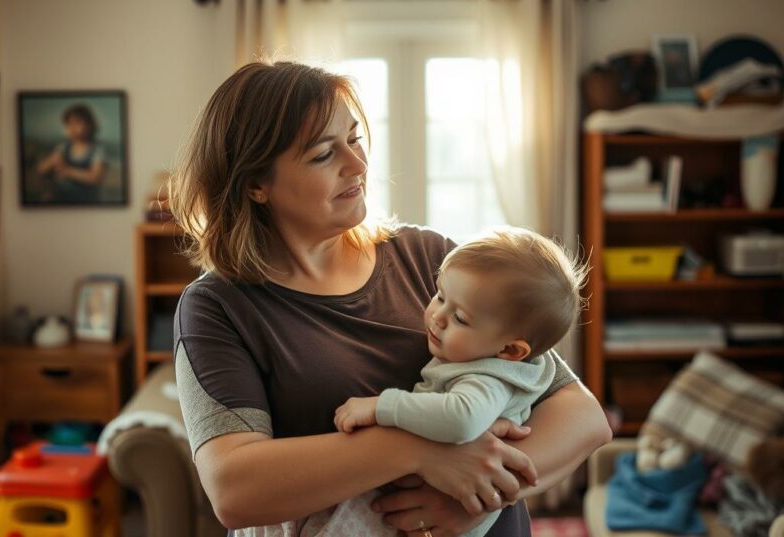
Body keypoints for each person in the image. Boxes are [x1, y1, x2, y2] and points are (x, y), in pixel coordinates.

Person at [169, 60, 612, 537]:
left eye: (355, 139)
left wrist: (476, 499)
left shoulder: (431, 258)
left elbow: (581, 415)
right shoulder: (218, 308)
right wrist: (417, 449)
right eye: (323, 154)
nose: (357, 165)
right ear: (255, 184)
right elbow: (234, 490)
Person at [240, 227, 586, 537]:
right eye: (439, 296)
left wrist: (380, 407)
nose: (437, 316)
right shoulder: (489, 348)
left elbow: (460, 418)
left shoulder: (488, 376)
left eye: (461, 318)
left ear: (511, 349)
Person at [35, 104, 106, 203]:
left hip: (85, 200)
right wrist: (52, 161)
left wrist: (67, 171)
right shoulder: (63, 147)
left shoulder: (97, 149)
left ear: (90, 125)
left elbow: (95, 177)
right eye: (68, 124)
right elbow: (41, 169)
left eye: (77, 123)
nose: (72, 128)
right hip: (61, 196)